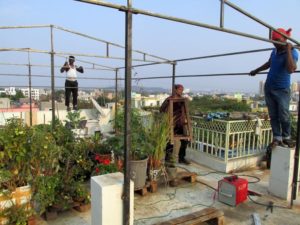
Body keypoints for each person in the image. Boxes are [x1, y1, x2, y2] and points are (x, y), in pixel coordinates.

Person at [250, 28, 298, 148]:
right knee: (273, 115)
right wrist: (256, 70)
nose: (274, 43)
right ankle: (277, 137)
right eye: (273, 40)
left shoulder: (293, 52)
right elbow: (269, 63)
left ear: (284, 39)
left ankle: (286, 137)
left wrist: (288, 50)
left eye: (277, 40)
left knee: (284, 115)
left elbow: (291, 69)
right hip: (269, 87)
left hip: (282, 89)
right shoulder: (274, 51)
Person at [160, 84, 191, 165]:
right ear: (175, 90)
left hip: (180, 123)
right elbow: (161, 109)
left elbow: (186, 110)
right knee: (170, 141)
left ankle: (181, 158)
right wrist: (168, 115)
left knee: (184, 141)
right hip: (171, 123)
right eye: (180, 89)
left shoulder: (182, 100)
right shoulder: (169, 99)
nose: (181, 91)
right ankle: (168, 158)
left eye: (182, 90)